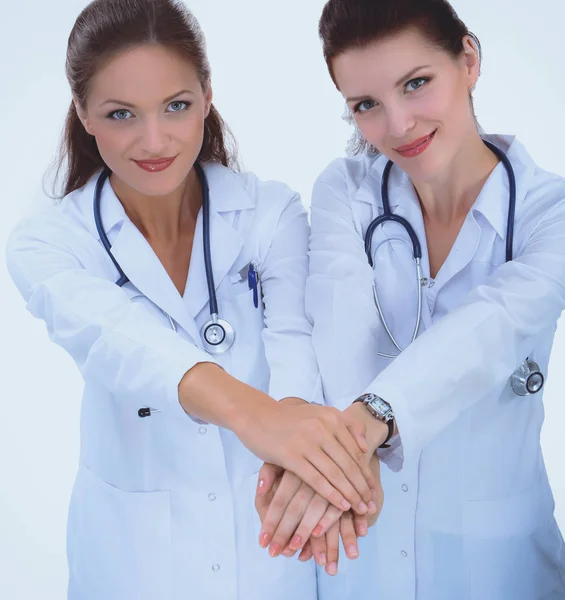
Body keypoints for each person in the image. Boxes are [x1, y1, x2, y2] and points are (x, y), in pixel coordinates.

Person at [4, 1, 380, 598]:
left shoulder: (268, 212)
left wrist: (307, 463)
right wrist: (258, 419)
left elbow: (295, 348)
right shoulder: (48, 243)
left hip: (272, 550)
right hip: (133, 565)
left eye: (176, 106)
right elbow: (120, 339)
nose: (154, 140)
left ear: (207, 95)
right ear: (83, 113)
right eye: (121, 113)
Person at [256, 1, 565, 598]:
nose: (398, 125)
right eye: (366, 106)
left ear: (469, 59)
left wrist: (365, 425)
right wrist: (347, 451)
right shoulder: (346, 191)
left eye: (416, 84)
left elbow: (494, 323)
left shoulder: (554, 212)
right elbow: (339, 327)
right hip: (356, 554)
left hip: (496, 568)